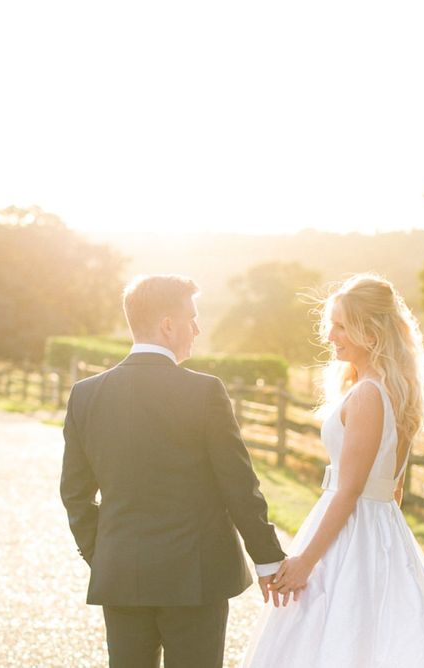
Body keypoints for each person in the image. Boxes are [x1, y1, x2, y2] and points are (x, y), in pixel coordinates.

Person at [244, 273, 424, 667]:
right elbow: (395, 489)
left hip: (352, 527)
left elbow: (349, 490)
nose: (330, 335)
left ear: (370, 333)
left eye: (341, 326)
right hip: (376, 526)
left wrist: (306, 561)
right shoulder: (390, 389)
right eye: (331, 324)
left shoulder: (369, 395)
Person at [60, 274, 285, 668]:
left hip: (122, 574)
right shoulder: (205, 391)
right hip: (195, 580)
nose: (197, 329)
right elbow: (238, 486)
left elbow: (75, 494)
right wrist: (268, 559)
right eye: (192, 318)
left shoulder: (86, 394)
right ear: (168, 325)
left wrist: (104, 554)